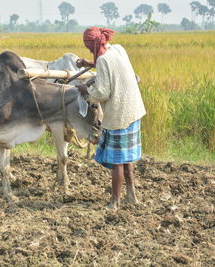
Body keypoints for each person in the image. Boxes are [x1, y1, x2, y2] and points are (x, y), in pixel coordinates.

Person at [76, 26, 146, 210]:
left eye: (88, 47)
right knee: (126, 158)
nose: (89, 50)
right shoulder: (118, 49)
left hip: (119, 115)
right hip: (134, 110)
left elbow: (102, 93)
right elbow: (108, 64)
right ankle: (131, 195)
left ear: (91, 45)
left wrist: (85, 92)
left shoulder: (103, 61)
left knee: (117, 162)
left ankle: (114, 202)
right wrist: (88, 64)